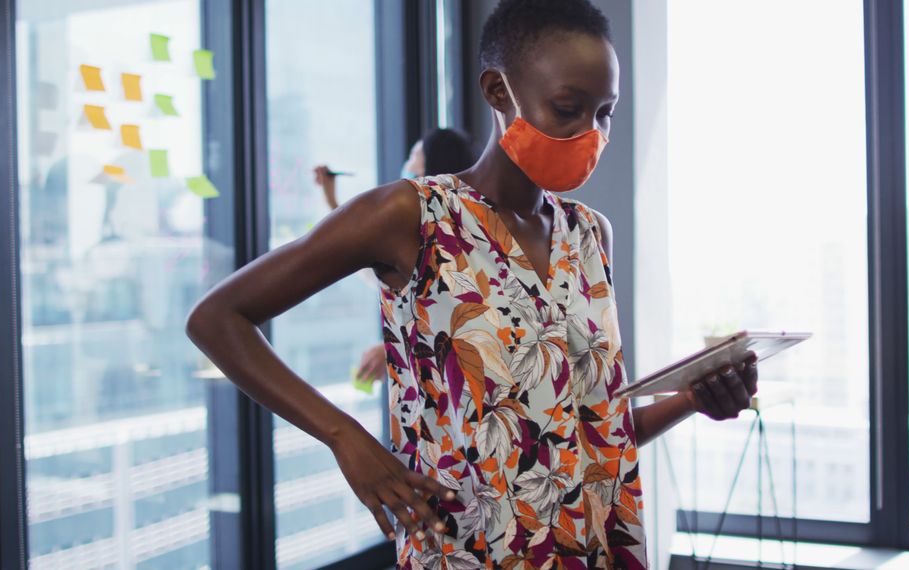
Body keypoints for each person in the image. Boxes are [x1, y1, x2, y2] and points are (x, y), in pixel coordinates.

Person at [186, 1, 758, 568]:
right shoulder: (411, 216)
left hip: (597, 550)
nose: (591, 133)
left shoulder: (589, 236)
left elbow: (590, 432)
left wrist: (692, 399)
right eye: (568, 108)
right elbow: (217, 318)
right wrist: (344, 435)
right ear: (498, 91)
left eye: (604, 112)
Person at [313, 128, 477, 385]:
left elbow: (455, 322)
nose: (407, 163)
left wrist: (393, 350)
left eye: (414, 153)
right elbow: (364, 260)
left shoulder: (442, 242)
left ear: (429, 169)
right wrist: (331, 200)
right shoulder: (452, 231)